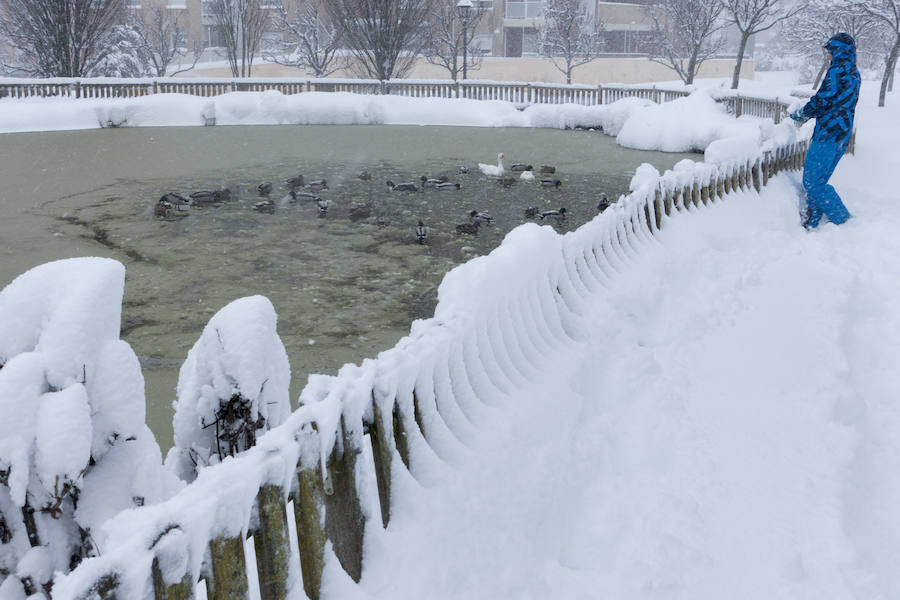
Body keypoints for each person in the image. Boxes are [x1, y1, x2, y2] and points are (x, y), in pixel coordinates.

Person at [789, 32, 860, 229]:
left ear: (839, 51)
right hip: (842, 133)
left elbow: (822, 99)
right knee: (819, 180)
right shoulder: (854, 71)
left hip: (829, 132)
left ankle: (842, 219)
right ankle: (813, 220)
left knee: (812, 182)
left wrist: (803, 113)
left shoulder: (838, 70)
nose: (827, 54)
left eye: (830, 50)